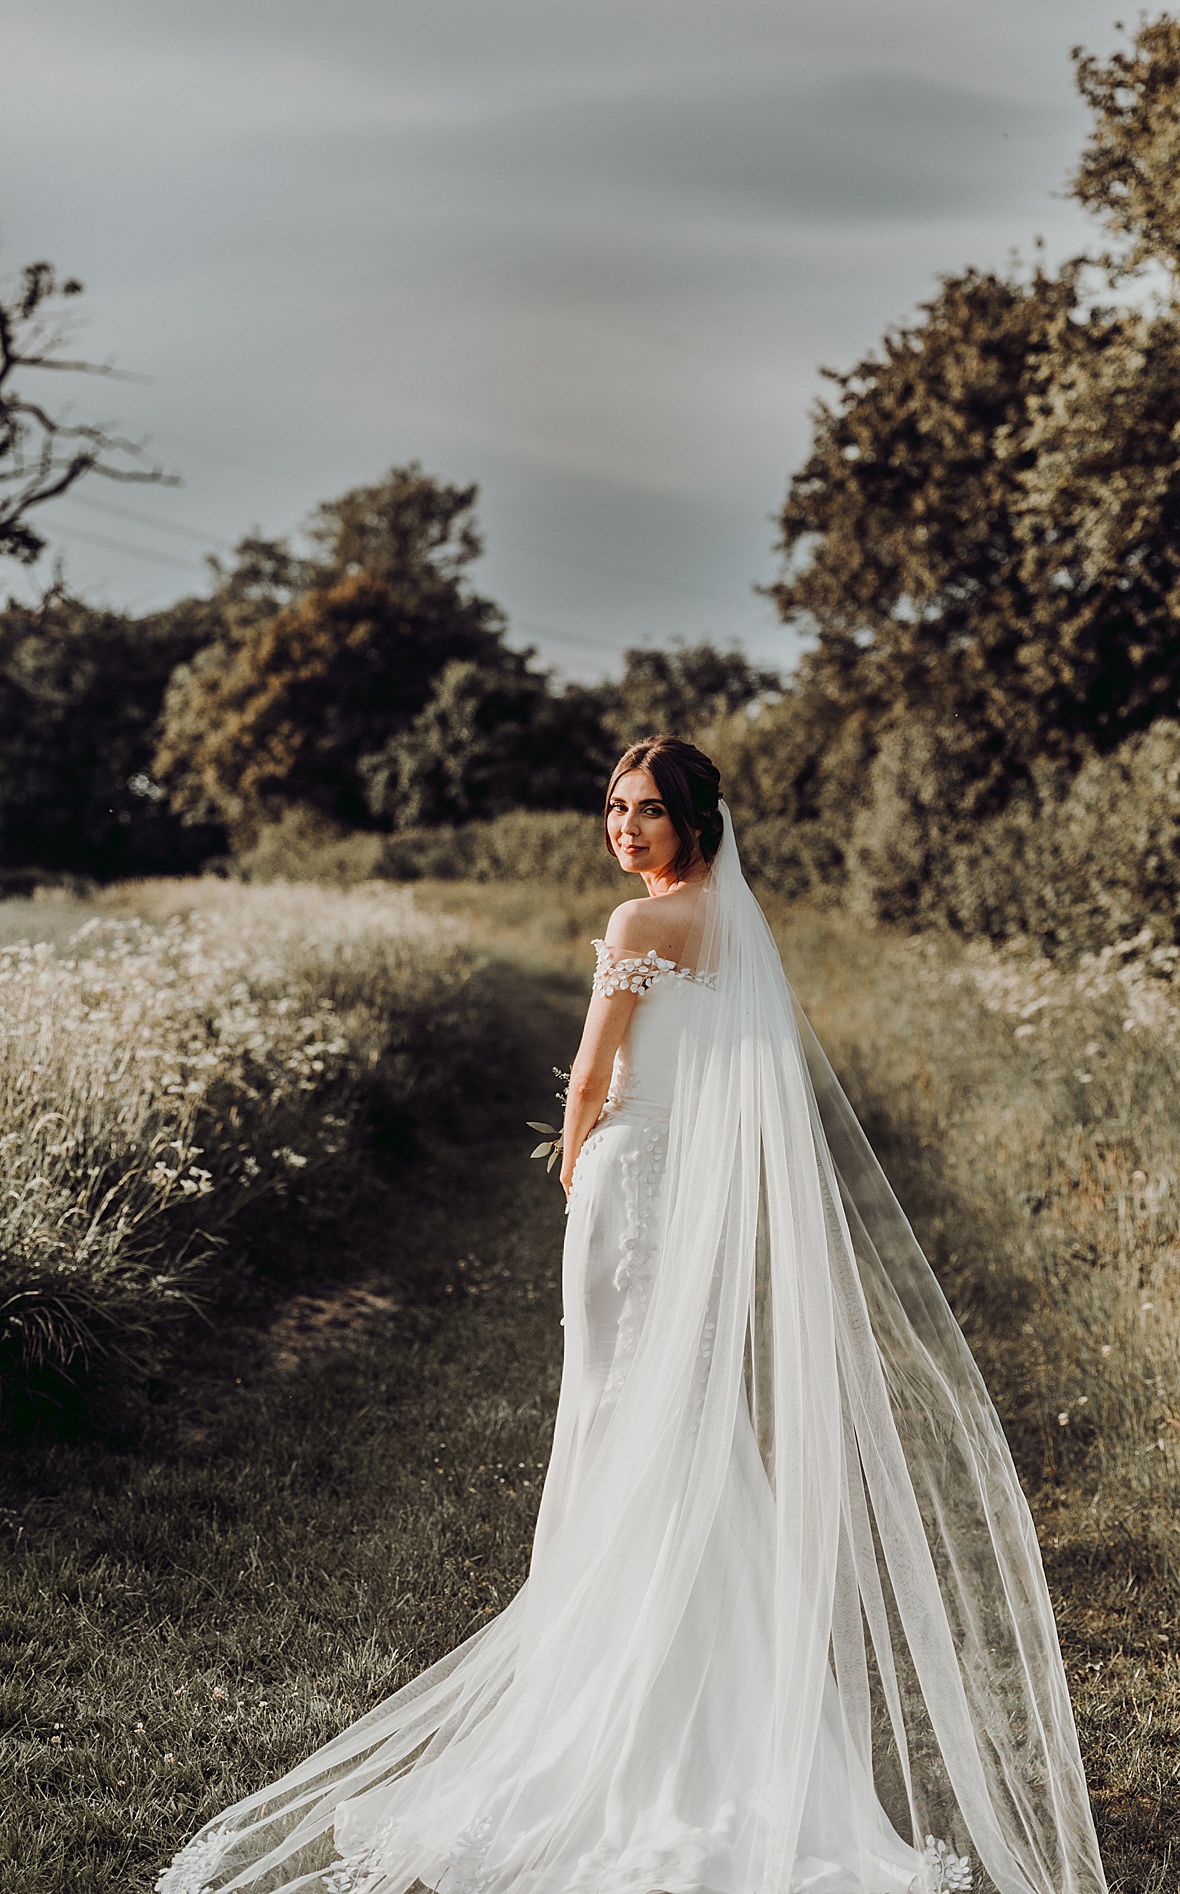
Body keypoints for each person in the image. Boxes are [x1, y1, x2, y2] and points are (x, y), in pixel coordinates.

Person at [159, 737, 1107, 1894]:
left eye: (648, 810)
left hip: (624, 1186)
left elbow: (592, 1068)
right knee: (682, 1428)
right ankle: (714, 1713)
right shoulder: (733, 926)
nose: (625, 827)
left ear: (694, 818)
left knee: (612, 1415)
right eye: (614, 807)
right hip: (687, 1199)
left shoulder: (636, 925)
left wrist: (574, 1152)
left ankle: (603, 1695)